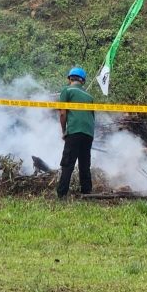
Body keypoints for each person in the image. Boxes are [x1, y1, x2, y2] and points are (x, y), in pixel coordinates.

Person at [56, 67, 95, 198]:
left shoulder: (67, 90)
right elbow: (92, 117)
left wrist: (64, 130)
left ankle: (62, 195)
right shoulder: (89, 96)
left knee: (68, 163)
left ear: (69, 79)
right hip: (88, 133)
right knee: (85, 163)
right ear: (83, 81)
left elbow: (62, 113)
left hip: (74, 131)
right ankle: (87, 193)